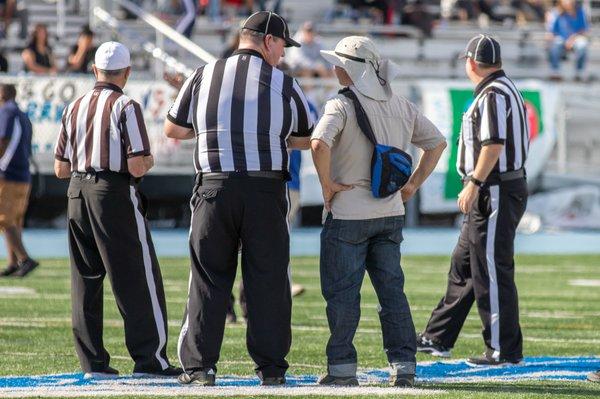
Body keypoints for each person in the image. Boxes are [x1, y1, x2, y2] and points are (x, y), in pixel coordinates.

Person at [165, 11, 314, 386]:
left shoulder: (203, 74)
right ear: (267, 40)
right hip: (265, 190)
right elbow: (305, 138)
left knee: (208, 278)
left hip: (214, 188)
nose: (283, 53)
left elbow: (174, 128)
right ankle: (271, 369)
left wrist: (216, 130)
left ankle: (200, 368)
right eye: (282, 44)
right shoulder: (284, 83)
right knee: (268, 280)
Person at [311, 36, 446, 387]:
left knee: (342, 295)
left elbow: (318, 143)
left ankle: (342, 369)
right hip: (389, 212)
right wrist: (412, 186)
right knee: (392, 293)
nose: (334, 68)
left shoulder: (339, 105)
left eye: (338, 63)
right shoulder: (401, 104)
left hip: (348, 214)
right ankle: (404, 366)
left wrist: (326, 185)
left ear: (348, 69)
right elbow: (437, 143)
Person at [54, 41, 181, 379]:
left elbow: (60, 168)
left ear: (95, 70)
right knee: (137, 276)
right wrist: (149, 160)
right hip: (112, 192)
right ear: (126, 73)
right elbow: (137, 165)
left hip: (76, 192)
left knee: (85, 279)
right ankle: (150, 359)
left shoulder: (74, 106)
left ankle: (93, 363)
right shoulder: (125, 105)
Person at [417, 34, 530, 366]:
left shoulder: (493, 94)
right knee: (465, 264)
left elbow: (493, 145)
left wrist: (475, 182)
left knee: (491, 270)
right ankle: (438, 336)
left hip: (493, 189)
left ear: (471, 62)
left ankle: (503, 349)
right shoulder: (505, 89)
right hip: (498, 187)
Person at [0, 84, 39, 277]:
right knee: (14, 220)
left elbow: (3, 141)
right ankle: (13, 263)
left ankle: (25, 259)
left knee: (4, 218)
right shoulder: (23, 115)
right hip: (24, 174)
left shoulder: (7, 111)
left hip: (8, 174)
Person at [546, 0, 589, 81]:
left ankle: (579, 72)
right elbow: (553, 31)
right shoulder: (557, 12)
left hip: (576, 38)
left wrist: (571, 39)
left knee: (582, 45)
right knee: (555, 44)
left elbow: (583, 29)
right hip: (561, 39)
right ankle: (555, 71)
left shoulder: (580, 12)